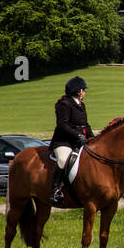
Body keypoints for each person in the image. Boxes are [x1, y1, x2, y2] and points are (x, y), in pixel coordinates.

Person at [49, 76, 93, 205]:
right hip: (64, 141)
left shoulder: (81, 105)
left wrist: (93, 138)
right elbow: (63, 125)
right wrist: (78, 136)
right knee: (63, 160)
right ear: (79, 91)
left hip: (78, 141)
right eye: (84, 90)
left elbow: (85, 124)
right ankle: (55, 191)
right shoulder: (64, 104)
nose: (85, 92)